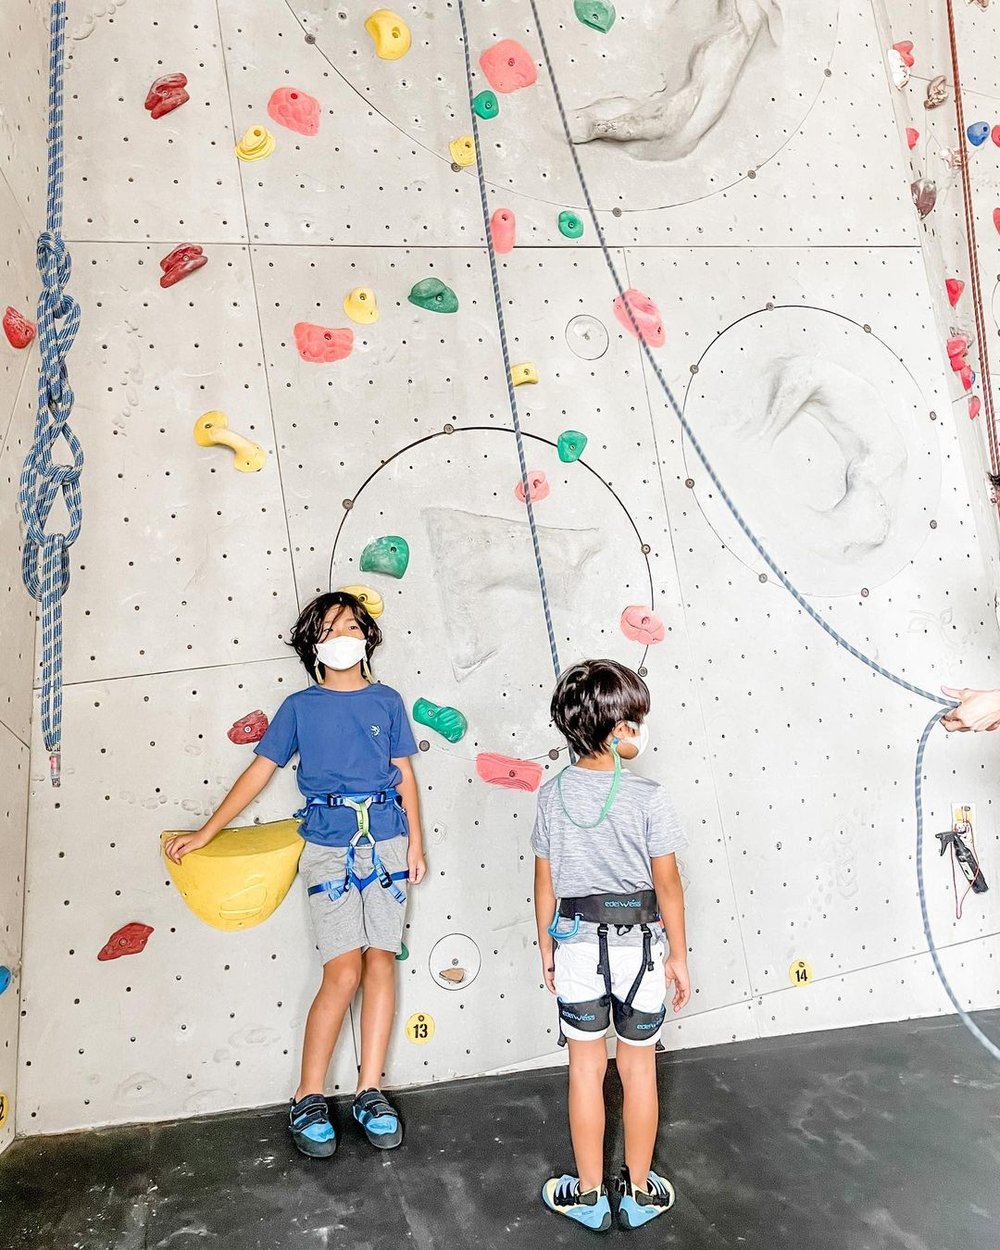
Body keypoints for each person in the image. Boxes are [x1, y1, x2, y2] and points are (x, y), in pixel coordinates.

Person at [164, 591, 426, 1159]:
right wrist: (207, 833)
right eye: (331, 627)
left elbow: (404, 776)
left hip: (388, 844)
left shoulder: (388, 701)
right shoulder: (299, 707)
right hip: (329, 848)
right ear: (313, 641)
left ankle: (370, 1090)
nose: (344, 634)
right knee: (343, 971)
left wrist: (417, 847)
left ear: (367, 636)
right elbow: (259, 772)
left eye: (352, 624)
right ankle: (308, 1096)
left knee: (381, 959)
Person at [532, 659, 690, 1232]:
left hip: (575, 946)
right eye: (633, 719)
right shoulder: (648, 795)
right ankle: (641, 1192)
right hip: (641, 949)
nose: (640, 730)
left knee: (585, 1070)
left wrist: (545, 947)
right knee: (639, 1071)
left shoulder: (551, 797)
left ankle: (592, 1196)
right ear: (610, 726)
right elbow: (667, 883)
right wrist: (679, 954)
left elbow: (544, 882)